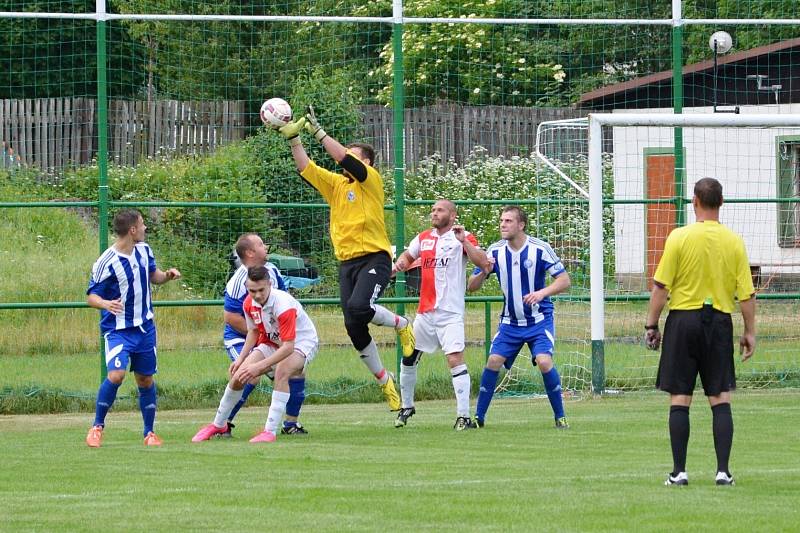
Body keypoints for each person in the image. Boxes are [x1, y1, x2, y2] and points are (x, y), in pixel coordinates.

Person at [274, 107, 414, 413]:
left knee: (359, 307)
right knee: (353, 324)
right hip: (346, 263)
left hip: (374, 257)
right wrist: (294, 138)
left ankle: (402, 325)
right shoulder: (337, 186)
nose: (344, 158)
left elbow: (342, 158)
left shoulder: (370, 180)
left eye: (351, 155)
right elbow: (306, 168)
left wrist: (319, 132)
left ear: (365, 162)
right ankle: (385, 382)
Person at [645, 177, 756, 487]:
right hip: (719, 322)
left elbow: (660, 286)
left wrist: (652, 325)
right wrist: (750, 332)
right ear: (721, 203)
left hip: (683, 320)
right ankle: (723, 472)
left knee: (680, 397)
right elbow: (746, 295)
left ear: (694, 201)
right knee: (719, 397)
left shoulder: (679, 237)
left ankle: (679, 472)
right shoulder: (734, 241)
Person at [467, 205, 571, 429]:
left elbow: (564, 280)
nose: (503, 225)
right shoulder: (494, 251)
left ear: (521, 225)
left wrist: (542, 293)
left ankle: (560, 417)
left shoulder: (540, 249)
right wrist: (485, 271)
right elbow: (471, 287)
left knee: (544, 361)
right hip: (510, 323)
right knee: (493, 361)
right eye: (501, 221)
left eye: (508, 221)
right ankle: (478, 419)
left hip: (538, 320)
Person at [85, 209, 181, 447]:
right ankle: (97, 427)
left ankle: (149, 433)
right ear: (132, 230)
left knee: (145, 380)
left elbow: (153, 276)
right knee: (116, 375)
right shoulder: (106, 261)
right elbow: (91, 296)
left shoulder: (144, 251)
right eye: (143, 224)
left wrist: (167, 276)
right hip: (118, 330)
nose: (146, 228)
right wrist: (105, 303)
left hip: (145, 327)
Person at [392, 200, 490, 430]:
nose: (434, 213)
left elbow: (482, 262)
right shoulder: (424, 237)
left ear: (453, 215)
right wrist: (398, 265)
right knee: (409, 356)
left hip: (450, 313)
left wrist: (464, 241)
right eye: (433, 210)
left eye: (440, 210)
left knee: (455, 359)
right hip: (425, 313)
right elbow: (407, 257)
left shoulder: (463, 236)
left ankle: (463, 416)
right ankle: (407, 406)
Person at [192, 265, 319, 443]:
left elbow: (288, 346)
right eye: (252, 291)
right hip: (273, 341)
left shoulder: (283, 305)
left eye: (261, 290)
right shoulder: (248, 304)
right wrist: (241, 360)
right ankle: (218, 424)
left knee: (282, 371)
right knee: (239, 375)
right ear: (247, 288)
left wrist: (260, 366)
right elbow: (253, 332)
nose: (257, 295)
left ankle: (270, 431)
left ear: (270, 284)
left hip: (301, 342)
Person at [221, 233, 308, 436]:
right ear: (251, 253)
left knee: (295, 371)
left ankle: (290, 424)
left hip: (270, 336)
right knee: (248, 374)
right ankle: (224, 424)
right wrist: (263, 337)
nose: (265, 246)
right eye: (261, 244)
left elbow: (285, 302)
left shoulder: (272, 271)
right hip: (240, 338)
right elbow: (231, 317)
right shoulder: (238, 281)